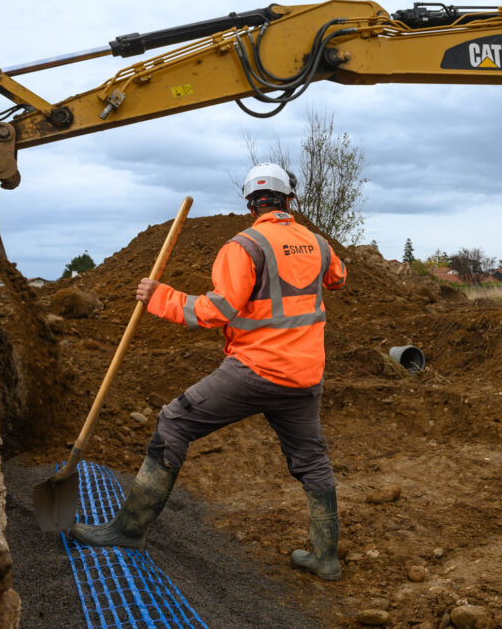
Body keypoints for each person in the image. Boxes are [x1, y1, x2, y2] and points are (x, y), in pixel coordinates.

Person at [70, 163, 348, 581]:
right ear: (289, 199)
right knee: (311, 461)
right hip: (304, 378)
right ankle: (326, 558)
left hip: (254, 371)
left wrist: (159, 296)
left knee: (173, 422)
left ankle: (127, 530)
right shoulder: (318, 243)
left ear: (252, 202)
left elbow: (216, 312)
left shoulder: (245, 246)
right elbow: (338, 279)